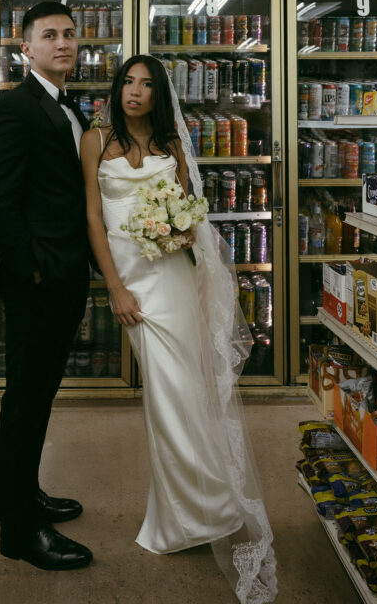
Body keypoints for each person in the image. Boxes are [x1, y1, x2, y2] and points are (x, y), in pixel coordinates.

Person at [80, 55, 277, 603]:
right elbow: (94, 218)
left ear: (158, 93)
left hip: (171, 275)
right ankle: (199, 509)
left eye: (145, 84)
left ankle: (194, 512)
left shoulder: (171, 139)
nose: (134, 92)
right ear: (117, 88)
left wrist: (184, 233)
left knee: (187, 392)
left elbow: (190, 213)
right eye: (128, 83)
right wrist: (114, 286)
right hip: (134, 284)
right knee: (164, 397)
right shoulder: (95, 140)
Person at [0, 1, 93, 571]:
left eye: (69, 34)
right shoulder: (16, 107)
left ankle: (21, 495)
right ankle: (20, 531)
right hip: (39, 281)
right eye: (49, 35)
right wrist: (33, 268)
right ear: (26, 49)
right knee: (24, 402)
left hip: (66, 275)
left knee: (39, 397)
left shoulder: (70, 107)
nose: (63, 43)